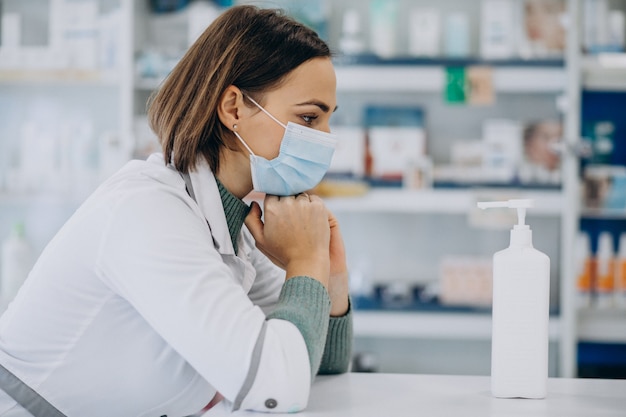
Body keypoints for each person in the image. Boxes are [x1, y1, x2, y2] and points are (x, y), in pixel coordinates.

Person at [0, 5, 352, 416]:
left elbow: (319, 361)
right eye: (309, 118)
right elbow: (276, 388)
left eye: (327, 121)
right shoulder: (148, 213)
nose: (327, 140)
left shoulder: (231, 226)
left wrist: (333, 275)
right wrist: (305, 261)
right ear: (234, 108)